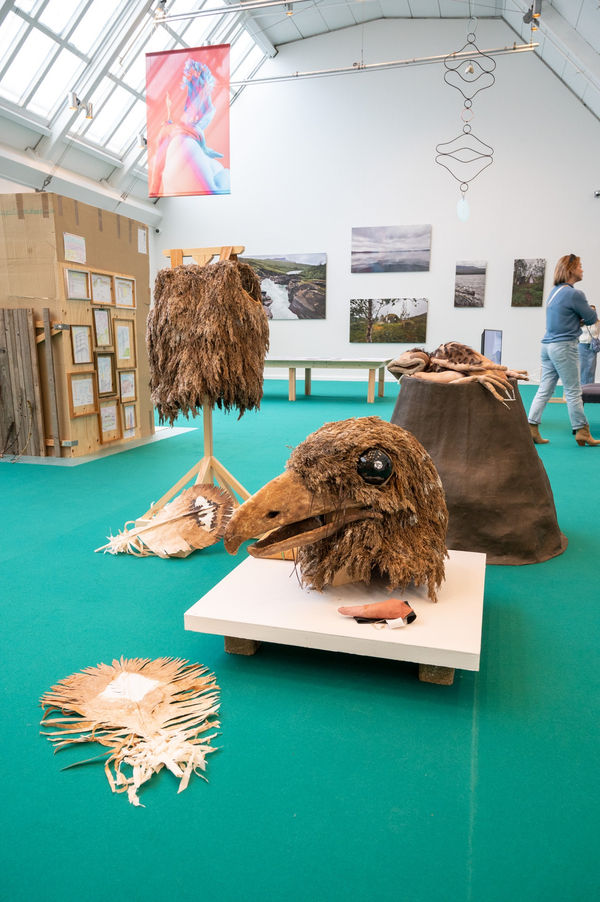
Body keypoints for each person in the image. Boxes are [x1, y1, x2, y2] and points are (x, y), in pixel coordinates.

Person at [528, 254, 599, 446]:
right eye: (580, 266)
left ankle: (531, 427)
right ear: (570, 269)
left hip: (547, 346)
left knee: (545, 388)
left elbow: (564, 318)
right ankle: (582, 431)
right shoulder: (575, 294)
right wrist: (586, 315)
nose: (582, 269)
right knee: (574, 391)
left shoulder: (554, 292)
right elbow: (592, 317)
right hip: (564, 347)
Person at [148, 58, 230, 197]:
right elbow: (156, 177)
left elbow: (156, 178)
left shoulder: (177, 131)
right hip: (184, 148)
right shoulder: (176, 132)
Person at [578, 305, 600, 385]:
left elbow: (597, 334)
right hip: (582, 346)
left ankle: (590, 387)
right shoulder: (581, 322)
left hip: (592, 347)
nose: (592, 311)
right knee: (582, 368)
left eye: (594, 310)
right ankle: (582, 388)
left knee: (591, 368)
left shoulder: (597, 323)